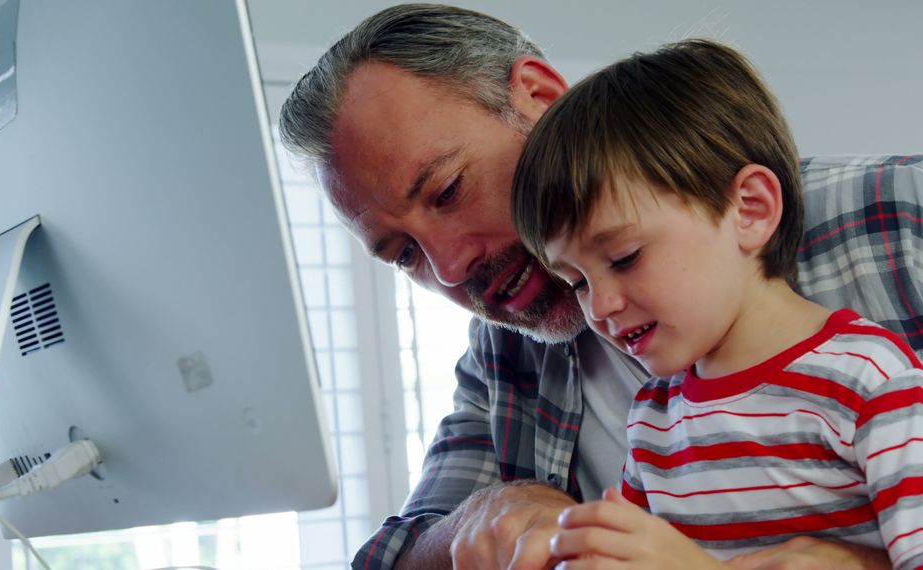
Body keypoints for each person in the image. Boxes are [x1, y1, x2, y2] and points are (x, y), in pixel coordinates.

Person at [277, 4, 923, 569]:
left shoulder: (903, 221)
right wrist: (475, 521)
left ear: (539, 97)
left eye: (448, 190)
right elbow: (394, 557)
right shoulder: (505, 362)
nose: (448, 269)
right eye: (403, 255)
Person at [510, 38, 923, 569]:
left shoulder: (869, 381)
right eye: (577, 282)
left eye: (625, 256)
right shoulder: (654, 421)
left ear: (749, 210)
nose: (600, 307)